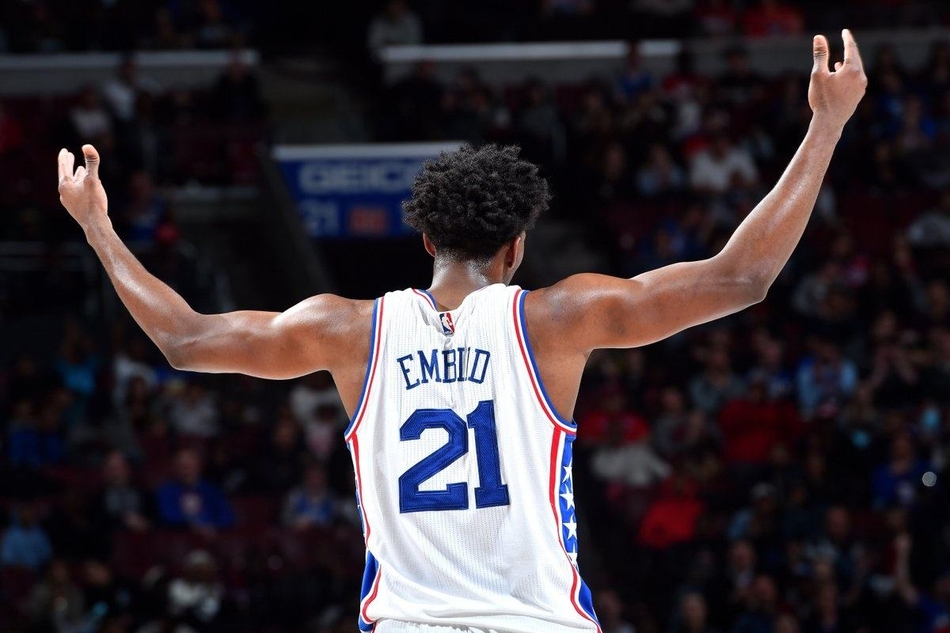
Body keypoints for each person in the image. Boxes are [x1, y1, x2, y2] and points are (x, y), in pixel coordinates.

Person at [56, 30, 867, 633]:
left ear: (425, 241)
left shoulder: (349, 330)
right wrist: (825, 126)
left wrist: (99, 228)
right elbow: (740, 278)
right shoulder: (557, 318)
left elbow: (185, 339)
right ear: (516, 248)